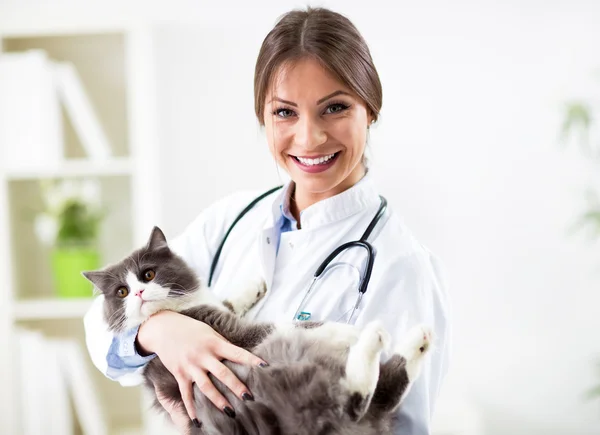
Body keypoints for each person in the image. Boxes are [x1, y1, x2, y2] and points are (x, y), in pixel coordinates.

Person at [84, 6, 451, 434]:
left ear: (370, 109)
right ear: (262, 116)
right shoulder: (227, 221)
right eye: (284, 112)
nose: (309, 137)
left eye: (334, 108)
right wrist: (161, 332)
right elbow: (99, 324)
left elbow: (400, 426)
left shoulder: (402, 266)